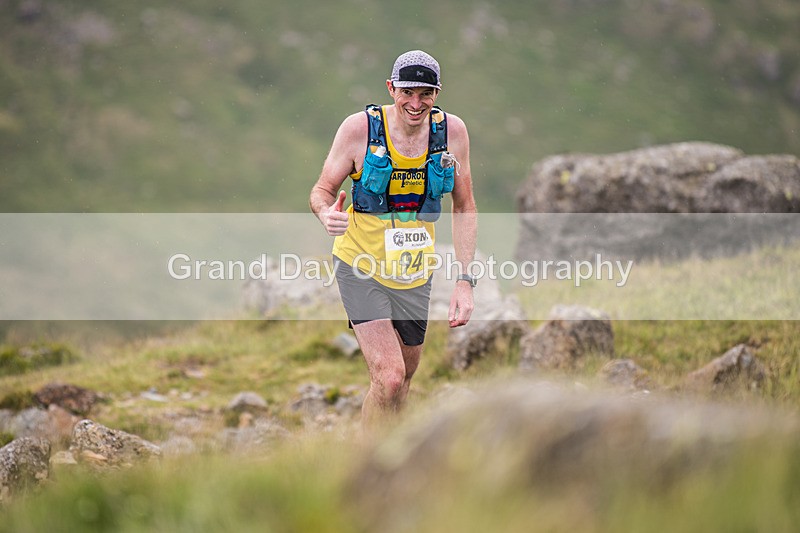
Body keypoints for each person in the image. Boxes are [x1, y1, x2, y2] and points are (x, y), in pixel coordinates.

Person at [309, 50, 477, 428]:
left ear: (437, 93)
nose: (415, 104)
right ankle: (367, 467)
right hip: (360, 264)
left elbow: (465, 207)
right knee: (389, 377)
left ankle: (393, 462)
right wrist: (326, 214)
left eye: (425, 93)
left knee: (403, 382)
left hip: (414, 272)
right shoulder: (358, 130)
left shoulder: (452, 133)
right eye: (407, 93)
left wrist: (465, 282)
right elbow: (321, 190)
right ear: (390, 88)